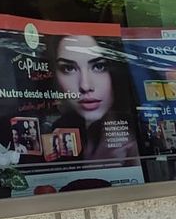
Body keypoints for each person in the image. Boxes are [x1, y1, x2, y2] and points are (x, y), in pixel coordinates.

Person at [50, 34, 140, 162]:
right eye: (69, 68)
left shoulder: (138, 139)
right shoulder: (57, 130)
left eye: (99, 66)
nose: (85, 86)